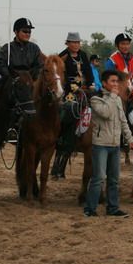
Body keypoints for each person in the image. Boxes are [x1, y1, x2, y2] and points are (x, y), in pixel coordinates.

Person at [83, 70, 133, 218]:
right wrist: (113, 96)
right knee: (98, 178)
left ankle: (112, 208)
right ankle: (90, 209)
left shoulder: (117, 99)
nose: (116, 84)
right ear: (104, 83)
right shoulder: (96, 99)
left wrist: (129, 138)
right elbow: (106, 113)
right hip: (101, 145)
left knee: (114, 179)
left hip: (115, 145)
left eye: (117, 81)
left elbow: (123, 120)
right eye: (112, 81)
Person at [52, 32, 95, 179]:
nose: (76, 45)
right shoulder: (62, 56)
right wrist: (72, 88)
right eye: (73, 42)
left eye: (78, 42)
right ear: (67, 43)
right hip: (69, 92)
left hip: (85, 90)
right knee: (70, 108)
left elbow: (88, 72)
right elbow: (60, 78)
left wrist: (90, 84)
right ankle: (63, 138)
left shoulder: (83, 55)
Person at [0, 18, 45, 142]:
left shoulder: (35, 48)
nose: (28, 34)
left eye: (29, 32)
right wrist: (12, 77)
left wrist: (30, 77)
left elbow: (40, 66)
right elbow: (0, 64)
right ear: (16, 32)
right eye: (24, 31)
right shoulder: (7, 48)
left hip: (29, 82)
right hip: (12, 81)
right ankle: (10, 128)